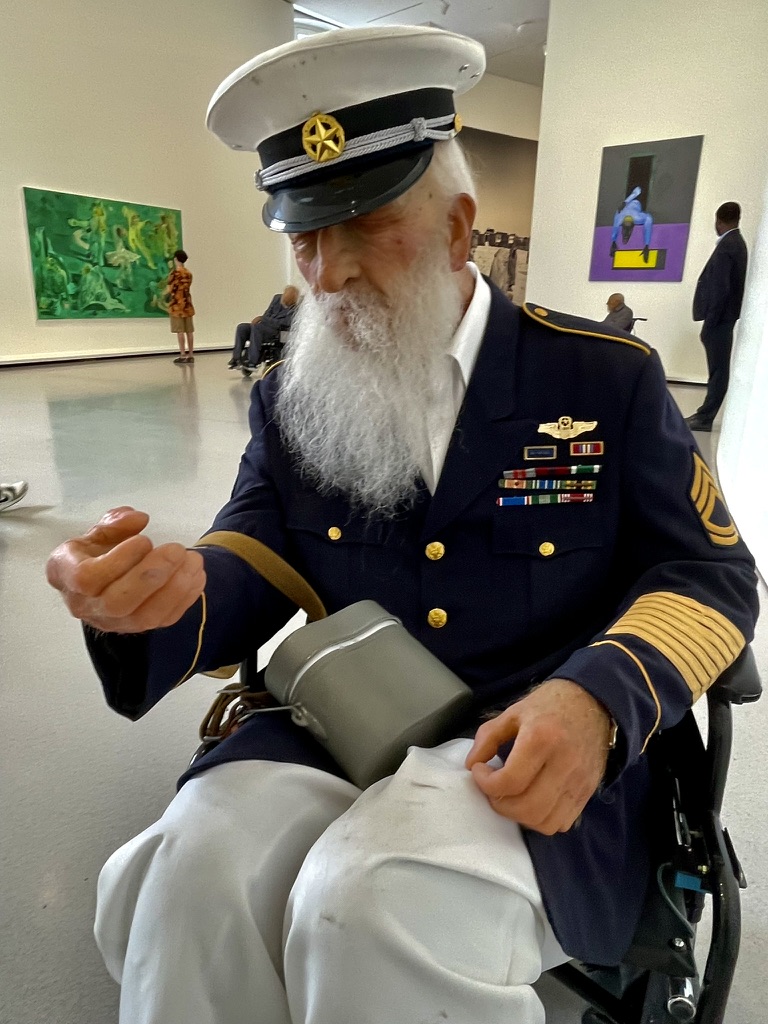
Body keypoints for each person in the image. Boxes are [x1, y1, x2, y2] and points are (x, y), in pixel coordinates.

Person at [45, 27, 758, 1024]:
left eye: (366, 225)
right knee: (186, 870)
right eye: (304, 236)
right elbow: (248, 554)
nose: (326, 272)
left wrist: (599, 701)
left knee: (372, 904)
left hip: (532, 750)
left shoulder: (602, 381)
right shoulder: (294, 398)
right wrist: (151, 602)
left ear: (460, 227)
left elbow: (710, 576)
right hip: (342, 726)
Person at [686, 202, 749, 432]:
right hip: (725, 318)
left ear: (718, 221)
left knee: (718, 371)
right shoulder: (737, 243)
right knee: (718, 370)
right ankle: (704, 414)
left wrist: (709, 324)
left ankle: (705, 418)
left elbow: (720, 289)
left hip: (720, 320)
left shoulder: (727, 246)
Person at [228, 285, 299, 369]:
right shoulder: (277, 298)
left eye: (288, 303)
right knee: (242, 327)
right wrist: (265, 319)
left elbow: (283, 323)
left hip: (277, 331)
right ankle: (236, 358)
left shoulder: (295, 309)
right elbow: (267, 314)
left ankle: (252, 362)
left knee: (257, 327)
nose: (285, 303)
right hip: (263, 326)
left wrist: (263, 319)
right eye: (284, 300)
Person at [165, 249, 196, 364]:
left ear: (176, 259)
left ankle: (183, 354)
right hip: (187, 304)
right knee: (189, 331)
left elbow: (170, 289)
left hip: (177, 305)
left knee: (180, 331)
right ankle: (191, 354)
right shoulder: (189, 274)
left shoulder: (174, 274)